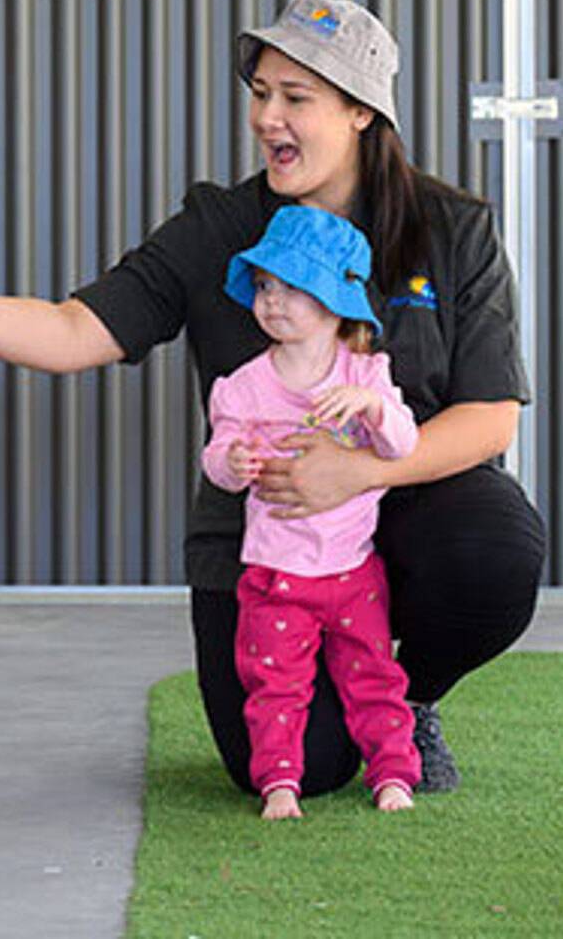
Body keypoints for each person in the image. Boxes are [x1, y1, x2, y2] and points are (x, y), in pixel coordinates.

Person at [0, 0, 547, 800]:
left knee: (497, 549)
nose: (267, 117)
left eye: (295, 98)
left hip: (402, 511)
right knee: (295, 770)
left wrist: (359, 474)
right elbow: (75, 331)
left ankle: (403, 695)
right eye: (260, 94)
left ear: (359, 112)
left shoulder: (450, 227)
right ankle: (347, 706)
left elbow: (490, 417)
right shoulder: (218, 227)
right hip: (266, 541)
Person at [202, 205, 420, 820]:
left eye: (294, 287)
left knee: (374, 676)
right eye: (266, 286)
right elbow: (216, 458)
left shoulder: (366, 373)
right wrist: (232, 461)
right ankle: (279, 784)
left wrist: (373, 410)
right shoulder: (242, 386)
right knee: (275, 685)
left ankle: (393, 774)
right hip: (275, 576)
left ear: (335, 302)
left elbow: (403, 445)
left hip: (353, 573)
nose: (273, 301)